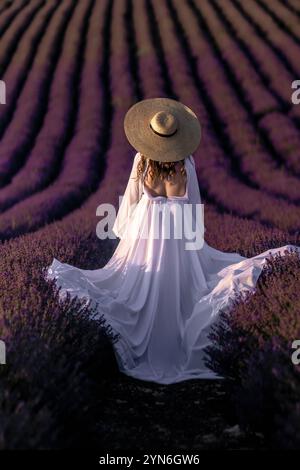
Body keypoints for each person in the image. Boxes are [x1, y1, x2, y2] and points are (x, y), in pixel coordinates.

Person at [46, 98, 300, 385]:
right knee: (186, 284)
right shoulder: (186, 162)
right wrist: (196, 242)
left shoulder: (142, 160)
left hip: (148, 225)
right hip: (178, 228)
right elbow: (192, 204)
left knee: (133, 286)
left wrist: (125, 231)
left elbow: (131, 199)